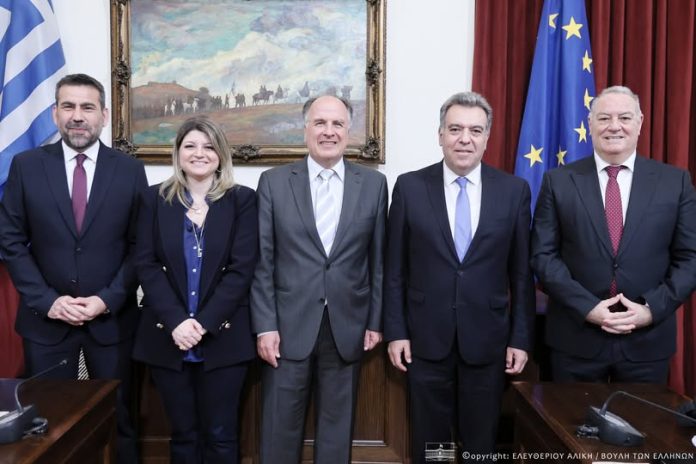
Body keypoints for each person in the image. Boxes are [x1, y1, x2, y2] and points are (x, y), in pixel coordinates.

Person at [0, 73, 146, 463]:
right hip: (46, 324)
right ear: (55, 113)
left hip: (111, 324)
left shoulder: (129, 170)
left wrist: (107, 299)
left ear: (104, 115)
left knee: (118, 419)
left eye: (87, 107)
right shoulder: (26, 166)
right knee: (47, 425)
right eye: (68, 106)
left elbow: (140, 246)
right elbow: (10, 240)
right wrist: (47, 301)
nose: (77, 116)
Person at [383, 91, 535, 463]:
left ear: (487, 137)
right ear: (440, 135)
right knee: (432, 445)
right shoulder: (410, 188)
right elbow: (394, 270)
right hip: (425, 341)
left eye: (475, 130)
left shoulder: (513, 191)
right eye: (455, 129)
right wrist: (397, 331)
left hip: (488, 341)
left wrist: (520, 338)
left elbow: (521, 274)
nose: (464, 139)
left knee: (480, 443)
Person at [251, 95, 387, 463]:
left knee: (337, 433)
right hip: (286, 327)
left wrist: (375, 321)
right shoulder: (274, 182)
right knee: (279, 432)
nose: (329, 131)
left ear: (349, 130)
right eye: (320, 123)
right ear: (305, 129)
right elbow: (263, 261)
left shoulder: (374, 184)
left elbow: (378, 261)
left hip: (348, 326)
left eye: (337, 124)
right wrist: (265, 326)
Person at [531, 85, 696, 383]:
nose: (614, 126)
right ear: (590, 124)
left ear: (640, 122)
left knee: (643, 416)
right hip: (575, 340)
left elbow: (690, 258)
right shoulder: (558, 182)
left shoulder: (676, 182)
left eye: (624, 117)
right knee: (568, 416)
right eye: (604, 118)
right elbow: (543, 256)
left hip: (647, 342)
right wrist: (587, 308)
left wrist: (651, 309)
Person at [132, 116, 258, 463]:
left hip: (224, 337)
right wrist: (177, 322)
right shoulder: (154, 199)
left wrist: (202, 323)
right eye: (190, 145)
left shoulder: (242, 200)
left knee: (221, 435)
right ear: (177, 153)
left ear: (221, 155)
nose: (199, 153)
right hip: (167, 336)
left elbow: (241, 269)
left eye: (208, 146)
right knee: (183, 435)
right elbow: (146, 264)